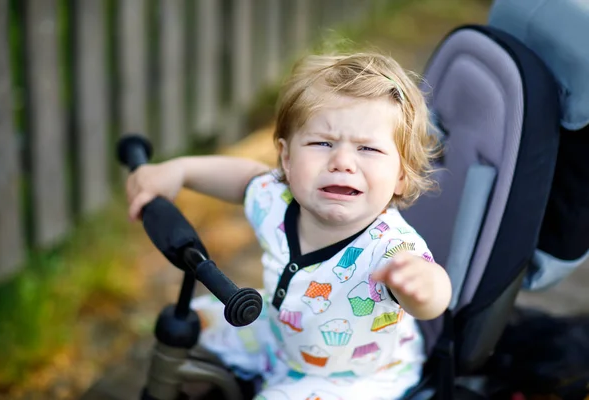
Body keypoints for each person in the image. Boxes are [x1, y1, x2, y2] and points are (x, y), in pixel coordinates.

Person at [126, 52, 452, 400]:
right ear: (286, 157)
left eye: (368, 149)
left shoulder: (392, 248)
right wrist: (180, 170)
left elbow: (432, 295)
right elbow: (243, 179)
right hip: (278, 331)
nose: (342, 161)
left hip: (352, 376)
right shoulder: (279, 202)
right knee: (192, 324)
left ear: (401, 175)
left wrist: (424, 286)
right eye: (322, 143)